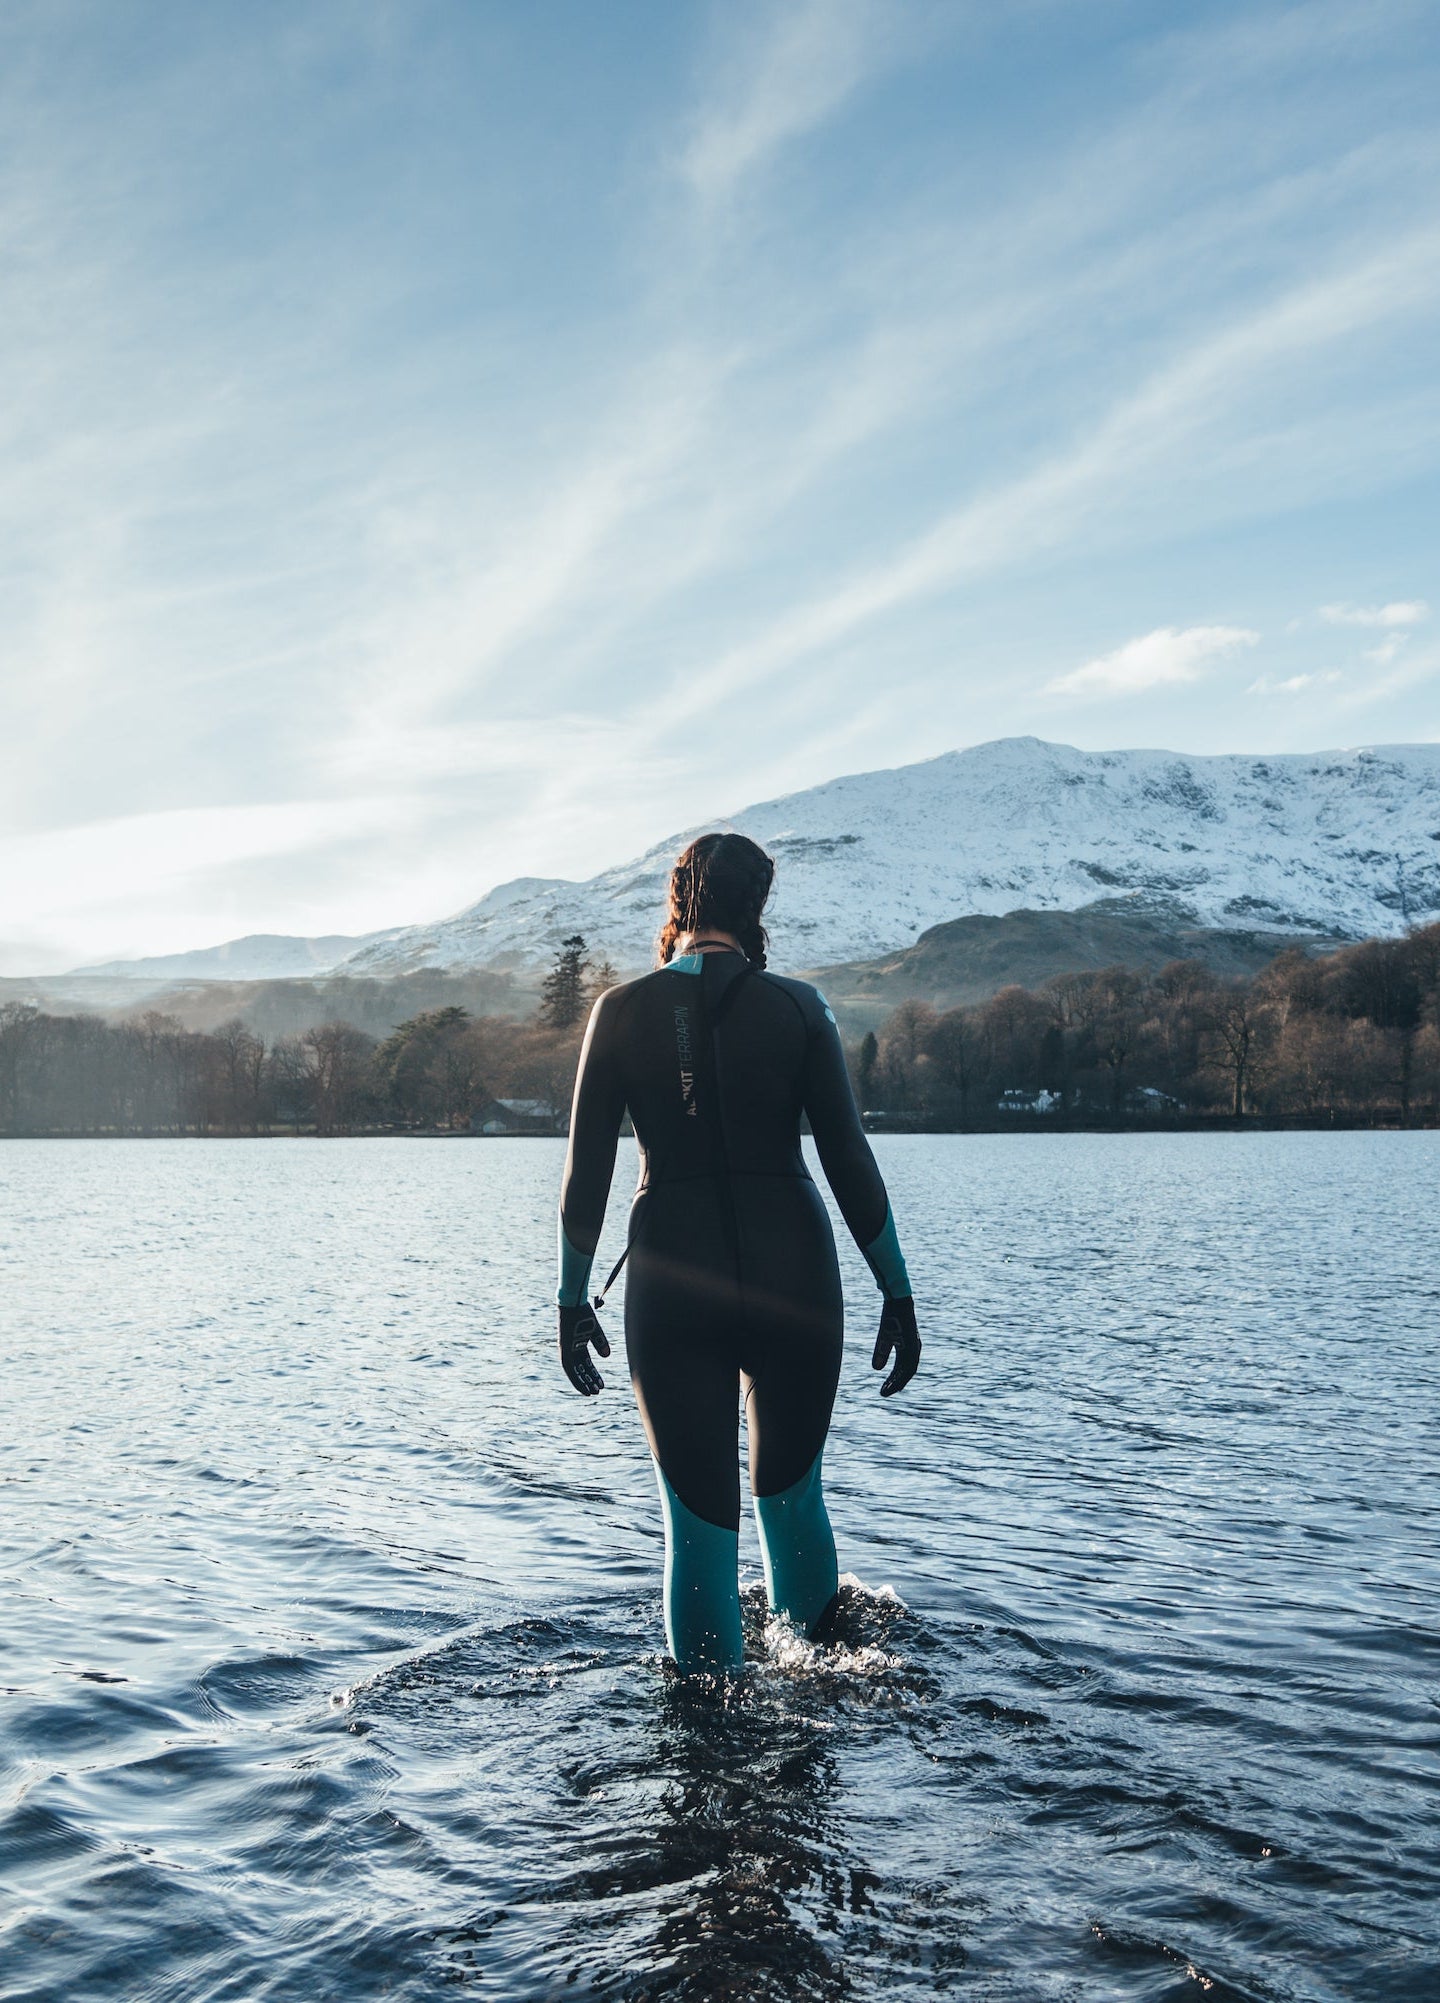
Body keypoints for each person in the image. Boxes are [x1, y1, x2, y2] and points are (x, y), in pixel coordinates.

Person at [555, 831, 921, 1674]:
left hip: (673, 1287)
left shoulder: (619, 1011)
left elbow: (586, 1180)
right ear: (756, 906)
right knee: (793, 1503)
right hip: (795, 1276)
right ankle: (826, 1699)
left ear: (678, 899)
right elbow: (849, 1161)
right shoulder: (800, 1007)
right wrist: (896, 1293)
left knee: (698, 1531)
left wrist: (573, 1301)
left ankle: (706, 1747)